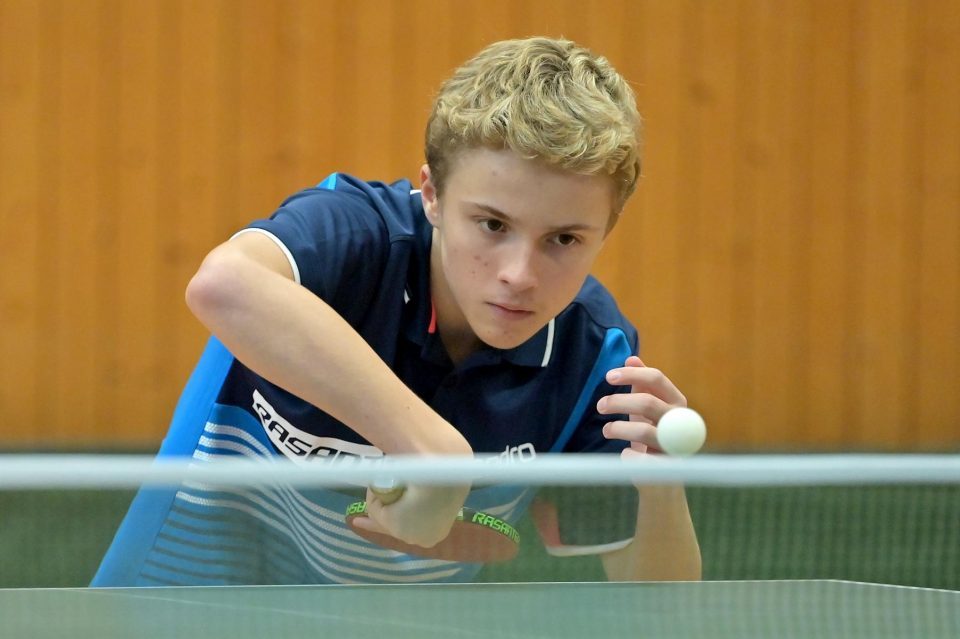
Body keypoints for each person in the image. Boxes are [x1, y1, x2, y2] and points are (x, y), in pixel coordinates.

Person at [93, 36, 701, 586]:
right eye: (492, 225)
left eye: (564, 239)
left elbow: (656, 612)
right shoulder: (354, 238)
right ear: (431, 194)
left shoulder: (594, 357)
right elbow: (224, 284)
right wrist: (433, 450)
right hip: (182, 594)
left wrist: (660, 487)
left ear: (606, 230)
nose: (520, 274)